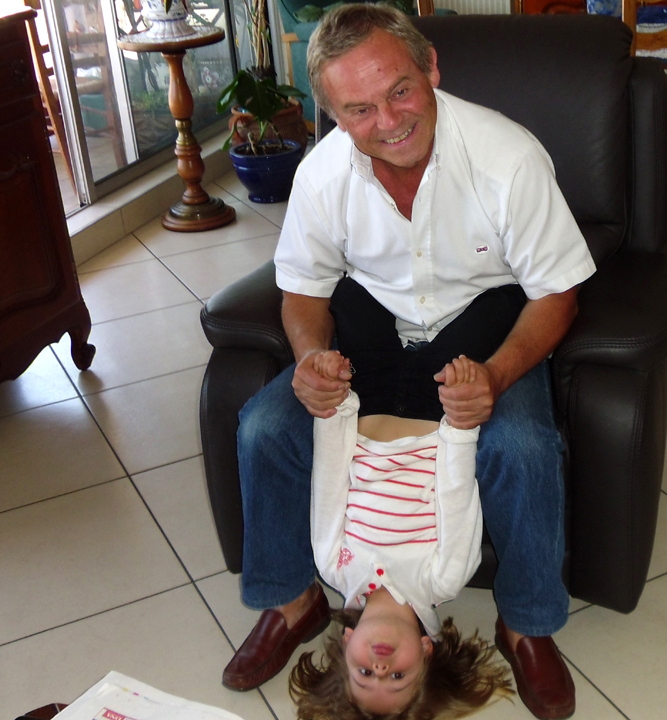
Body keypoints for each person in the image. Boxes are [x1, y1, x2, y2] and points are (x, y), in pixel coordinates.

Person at [221, 5, 595, 719]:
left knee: (522, 445)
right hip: (371, 329)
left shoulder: (507, 157)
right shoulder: (322, 174)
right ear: (332, 114)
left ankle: (527, 624)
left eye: (399, 91)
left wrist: (496, 377)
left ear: (430, 70)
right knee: (265, 427)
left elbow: (558, 294)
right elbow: (303, 292)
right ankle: (292, 601)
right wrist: (311, 360)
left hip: (486, 325)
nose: (388, 121)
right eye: (358, 109)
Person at [288, 356, 512, 718]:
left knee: (367, 324)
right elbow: (457, 495)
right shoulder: (443, 578)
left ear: (347, 644)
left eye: (364, 674)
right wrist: (461, 424)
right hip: (435, 407)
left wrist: (335, 406)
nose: (380, 668)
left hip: (368, 400)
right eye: (398, 677)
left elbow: (329, 483)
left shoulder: (333, 567)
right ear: (426, 651)